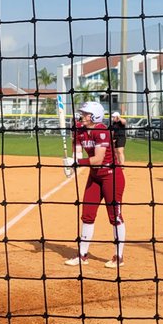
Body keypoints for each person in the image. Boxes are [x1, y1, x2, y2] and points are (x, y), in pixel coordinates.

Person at [64, 100, 125, 271]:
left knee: (115, 217)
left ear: (94, 116)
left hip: (111, 176)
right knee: (87, 215)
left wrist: (76, 162)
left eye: (85, 113)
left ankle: (118, 256)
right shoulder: (79, 130)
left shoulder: (101, 130)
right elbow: (77, 152)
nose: (82, 116)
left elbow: (98, 159)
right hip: (94, 176)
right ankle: (82, 255)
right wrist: (71, 167)